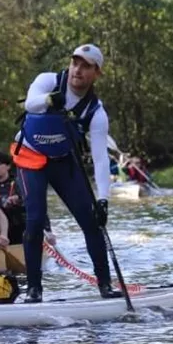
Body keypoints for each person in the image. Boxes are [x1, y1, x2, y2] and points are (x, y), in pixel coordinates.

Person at [11, 44, 123, 302]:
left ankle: (105, 285)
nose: (78, 70)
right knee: (35, 219)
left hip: (63, 160)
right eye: (75, 63)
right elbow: (30, 104)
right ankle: (34, 290)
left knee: (91, 220)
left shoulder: (96, 112)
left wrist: (104, 200)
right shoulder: (48, 80)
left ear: (97, 73)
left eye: (86, 66)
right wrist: (50, 100)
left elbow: (99, 159)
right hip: (31, 157)